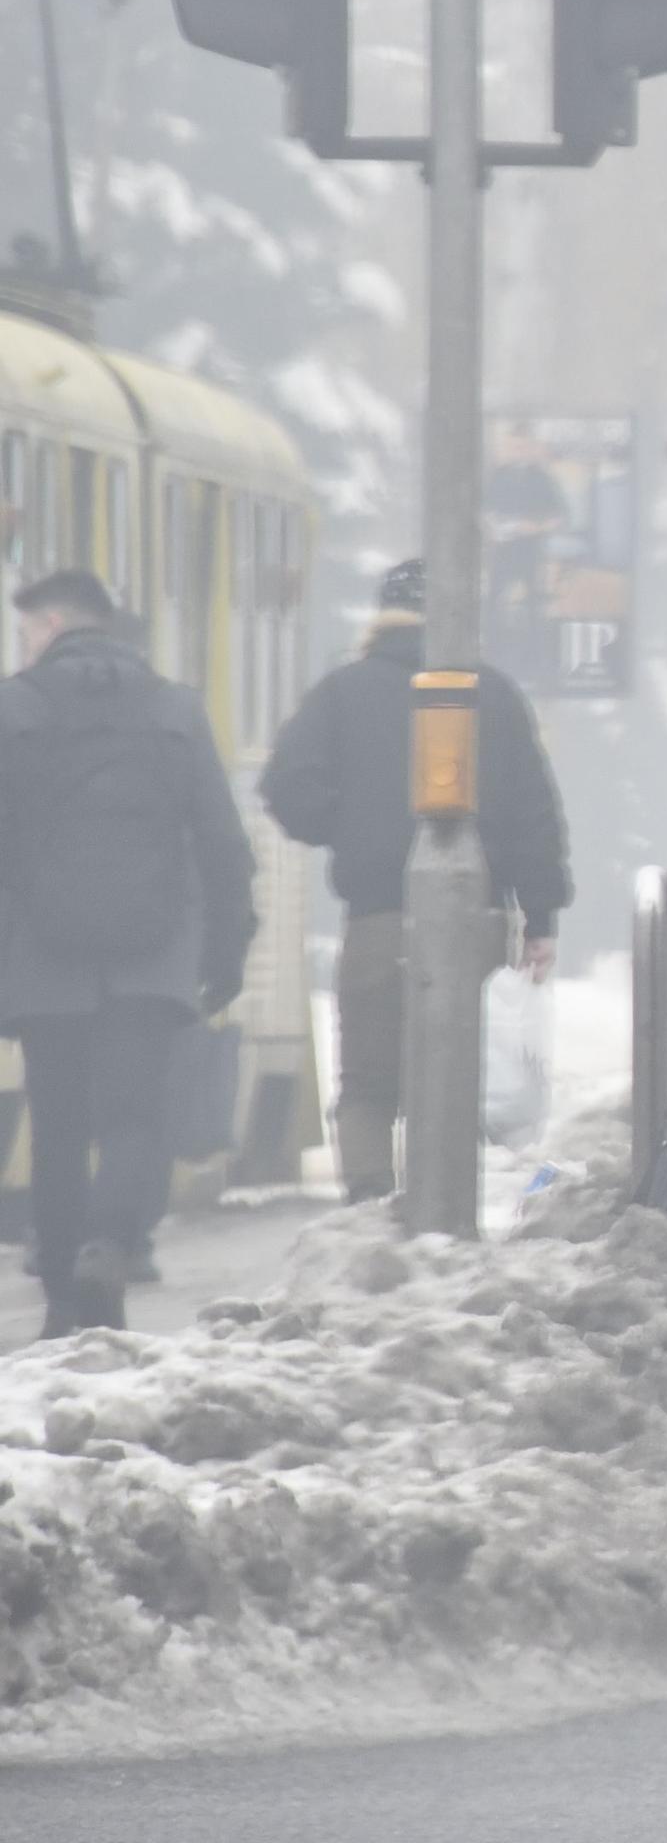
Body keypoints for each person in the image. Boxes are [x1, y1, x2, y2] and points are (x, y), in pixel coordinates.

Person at [262, 557, 573, 1202]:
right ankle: (446, 1207)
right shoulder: (491, 693)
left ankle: (372, 1207)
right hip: (474, 923)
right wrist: (539, 917)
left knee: (370, 1084)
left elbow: (286, 785)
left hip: (378, 916)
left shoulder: (342, 692)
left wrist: (348, 828)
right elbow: (532, 814)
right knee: (456, 1076)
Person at [0, 570, 257, 1336]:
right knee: (134, 1118)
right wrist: (227, 948)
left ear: (48, 625)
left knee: (60, 1123)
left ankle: (61, 1300)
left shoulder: (14, 707)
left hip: (46, 955)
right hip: (152, 956)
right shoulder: (174, 709)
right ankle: (109, 1251)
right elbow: (221, 840)